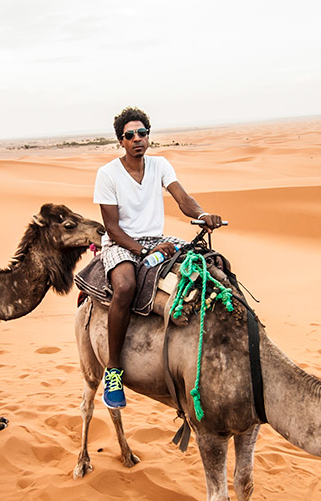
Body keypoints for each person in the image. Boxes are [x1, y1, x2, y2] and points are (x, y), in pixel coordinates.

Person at [93, 107, 223, 408]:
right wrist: (144, 251)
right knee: (125, 286)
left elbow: (183, 199)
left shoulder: (160, 165)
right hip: (122, 242)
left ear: (148, 136)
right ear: (121, 141)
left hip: (156, 239)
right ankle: (113, 370)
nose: (137, 139)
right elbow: (111, 227)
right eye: (130, 135)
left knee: (209, 262)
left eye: (142, 133)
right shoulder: (108, 174)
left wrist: (202, 214)